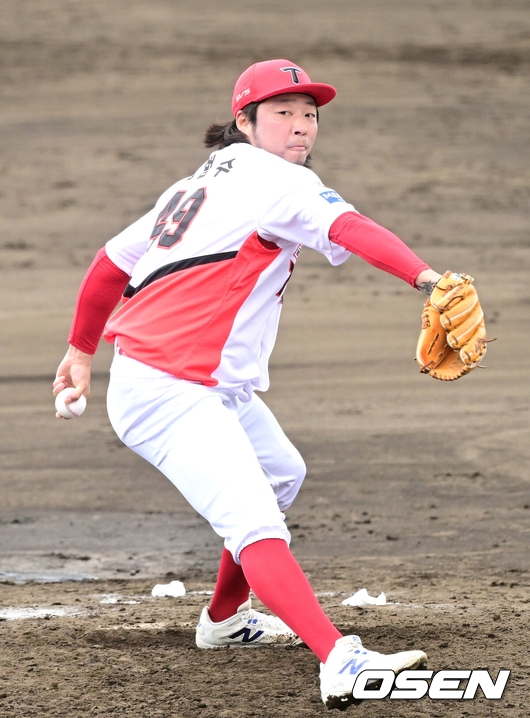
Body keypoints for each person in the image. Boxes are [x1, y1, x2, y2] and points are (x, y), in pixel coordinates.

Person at [53, 59, 440, 710]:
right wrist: (426, 277)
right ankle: (340, 660)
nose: (301, 126)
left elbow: (109, 265)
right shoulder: (275, 181)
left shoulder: (197, 183)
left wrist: (80, 351)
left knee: (281, 475)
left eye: (309, 114)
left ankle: (226, 620)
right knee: (256, 519)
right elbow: (349, 228)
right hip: (168, 389)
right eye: (283, 112)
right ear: (245, 121)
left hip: (201, 384)